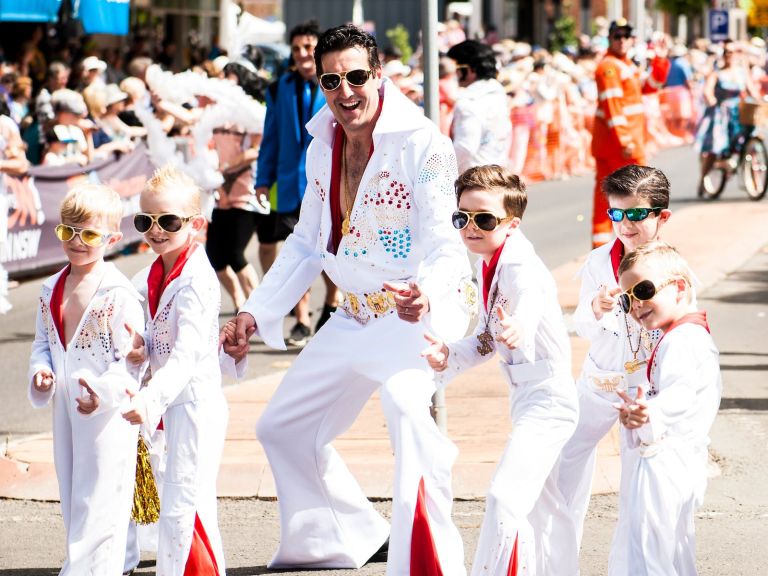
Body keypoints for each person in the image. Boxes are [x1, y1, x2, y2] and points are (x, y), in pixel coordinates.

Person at [222, 24, 475, 573]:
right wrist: (252, 312)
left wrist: (426, 294)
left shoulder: (422, 143)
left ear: (378, 75)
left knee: (407, 411)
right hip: (350, 318)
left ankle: (433, 561)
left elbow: (445, 240)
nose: (345, 91)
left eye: (356, 76)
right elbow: (305, 244)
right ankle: (343, 536)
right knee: (280, 428)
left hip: (409, 319)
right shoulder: (322, 145)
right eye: (331, 79)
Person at [421, 165, 579, 576]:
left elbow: (529, 298)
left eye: (484, 219)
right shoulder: (490, 261)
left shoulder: (519, 265)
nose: (471, 228)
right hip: (526, 398)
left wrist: (520, 324)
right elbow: (486, 340)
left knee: (505, 498)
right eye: (462, 217)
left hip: (550, 401)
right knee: (547, 509)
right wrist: (449, 354)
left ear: (511, 224)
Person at [27, 183, 145, 574]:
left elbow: (129, 361)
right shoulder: (50, 288)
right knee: (74, 487)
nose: (77, 242)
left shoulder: (118, 293)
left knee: (101, 491)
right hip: (65, 405)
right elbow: (43, 342)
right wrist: (41, 371)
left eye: (90, 234)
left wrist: (105, 394)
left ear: (112, 237)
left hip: (105, 410)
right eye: (68, 231)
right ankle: (118, 558)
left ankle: (87, 568)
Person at [556, 164, 671, 557]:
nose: (625, 223)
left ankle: (636, 561)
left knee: (640, 477)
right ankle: (557, 558)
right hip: (600, 379)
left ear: (661, 216)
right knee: (564, 462)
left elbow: (680, 328)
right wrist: (596, 306)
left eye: (637, 214)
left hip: (646, 387)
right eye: (617, 213)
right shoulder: (598, 261)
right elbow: (584, 327)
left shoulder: (672, 269)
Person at [121, 166, 229, 575]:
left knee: (185, 508)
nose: (156, 230)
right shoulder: (152, 272)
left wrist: (150, 398)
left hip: (193, 407)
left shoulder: (197, 281)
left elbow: (186, 354)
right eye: (144, 221)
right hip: (171, 404)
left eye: (167, 221)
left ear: (195, 223)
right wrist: (141, 349)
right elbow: (159, 340)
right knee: (182, 506)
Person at [611, 241, 721, 575]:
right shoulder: (684, 334)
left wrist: (651, 413)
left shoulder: (682, 340)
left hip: (667, 458)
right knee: (672, 549)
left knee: (649, 549)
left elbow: (680, 394)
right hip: (678, 457)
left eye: (643, 290)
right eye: (626, 298)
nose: (635, 304)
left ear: (679, 288)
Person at [254, 21, 339, 345]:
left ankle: (331, 303)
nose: (303, 54)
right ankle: (302, 319)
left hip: (328, 182)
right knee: (299, 252)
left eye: (308, 48)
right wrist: (263, 180)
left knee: (331, 252)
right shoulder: (279, 88)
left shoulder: (333, 84)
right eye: (297, 48)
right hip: (290, 185)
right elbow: (271, 137)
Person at [591, 18, 669, 248]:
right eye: (618, 36)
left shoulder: (625, 64)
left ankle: (615, 248)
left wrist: (661, 60)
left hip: (623, 144)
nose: (623, 40)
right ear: (610, 39)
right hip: (619, 146)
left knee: (618, 198)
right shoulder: (609, 66)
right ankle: (631, 248)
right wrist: (625, 139)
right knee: (636, 196)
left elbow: (651, 87)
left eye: (627, 36)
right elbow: (612, 105)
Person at [205, 59, 264, 311]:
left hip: (245, 187)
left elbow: (255, 150)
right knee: (215, 256)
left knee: (236, 254)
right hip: (220, 190)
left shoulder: (253, 111)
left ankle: (259, 306)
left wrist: (227, 168)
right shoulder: (217, 110)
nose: (224, 80)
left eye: (229, 75)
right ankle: (240, 301)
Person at [695, 39, 761, 196]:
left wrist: (760, 101)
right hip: (721, 114)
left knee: (750, 137)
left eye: (733, 52)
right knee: (715, 148)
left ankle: (754, 179)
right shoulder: (717, 73)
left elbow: (752, 90)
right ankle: (703, 179)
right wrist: (710, 98)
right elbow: (708, 91)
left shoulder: (742, 73)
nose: (730, 55)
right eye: (726, 52)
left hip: (739, 113)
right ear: (722, 55)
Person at [446, 40, 512, 173]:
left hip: (474, 178)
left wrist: (442, 168)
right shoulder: (498, 93)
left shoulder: (469, 101)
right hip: (499, 173)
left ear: (471, 70)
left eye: (457, 68)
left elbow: (465, 146)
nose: (455, 74)